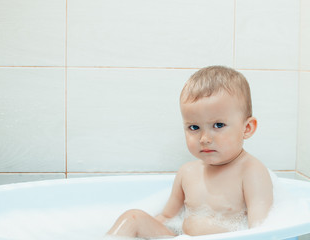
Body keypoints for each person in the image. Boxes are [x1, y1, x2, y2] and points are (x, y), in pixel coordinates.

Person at [107, 66, 273, 239]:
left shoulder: (251, 172)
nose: (204, 138)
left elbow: (260, 231)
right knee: (132, 218)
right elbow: (167, 217)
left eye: (218, 125)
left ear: (247, 128)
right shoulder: (187, 172)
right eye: (194, 127)